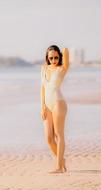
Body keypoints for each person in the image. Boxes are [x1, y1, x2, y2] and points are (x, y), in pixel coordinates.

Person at [40, 45, 69, 173]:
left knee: (59, 134)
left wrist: (61, 50)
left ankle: (58, 167)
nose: (53, 60)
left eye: (56, 57)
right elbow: (43, 88)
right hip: (47, 105)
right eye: (51, 58)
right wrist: (42, 106)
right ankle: (61, 160)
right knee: (49, 138)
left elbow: (66, 51)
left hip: (58, 103)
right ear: (47, 58)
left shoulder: (62, 68)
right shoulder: (44, 68)